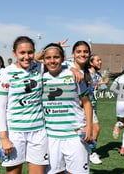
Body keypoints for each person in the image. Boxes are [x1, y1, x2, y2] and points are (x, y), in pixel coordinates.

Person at [0, 36, 49, 174]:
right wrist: (4, 138)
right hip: (14, 133)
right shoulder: (5, 73)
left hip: (38, 132)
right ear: (14, 53)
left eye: (30, 52)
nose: (27, 56)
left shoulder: (40, 67)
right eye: (22, 53)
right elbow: (0, 109)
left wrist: (73, 70)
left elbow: (60, 65)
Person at [41, 43, 93, 174]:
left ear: (63, 58)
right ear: (43, 59)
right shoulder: (40, 78)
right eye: (48, 58)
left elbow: (87, 103)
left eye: (56, 57)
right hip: (51, 136)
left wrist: (89, 127)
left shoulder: (75, 76)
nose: (52, 61)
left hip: (74, 135)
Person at [83, 54, 108, 164]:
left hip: (93, 105)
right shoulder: (86, 72)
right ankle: (91, 153)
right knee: (96, 128)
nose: (100, 62)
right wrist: (101, 83)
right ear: (91, 63)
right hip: (84, 105)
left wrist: (103, 86)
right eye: (98, 60)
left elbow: (101, 89)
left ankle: (86, 152)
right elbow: (88, 84)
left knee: (90, 130)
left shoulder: (98, 74)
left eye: (101, 59)